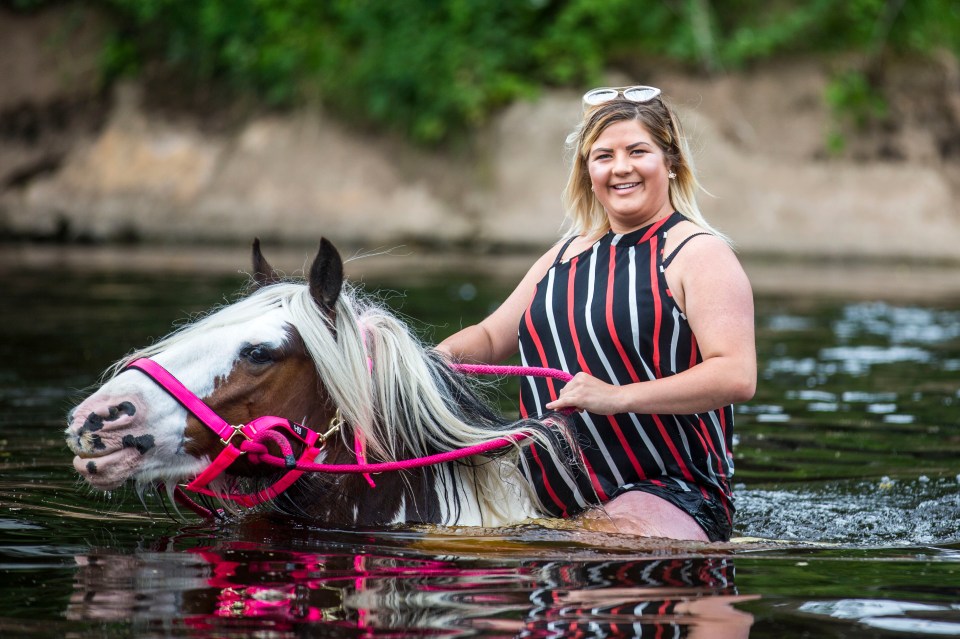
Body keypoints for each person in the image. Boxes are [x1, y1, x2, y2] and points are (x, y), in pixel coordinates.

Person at [436, 85, 756, 542]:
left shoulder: (698, 254)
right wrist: (431, 360)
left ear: (671, 161)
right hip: (548, 496)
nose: (620, 167)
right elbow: (490, 337)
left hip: (668, 490)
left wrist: (618, 396)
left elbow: (736, 375)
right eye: (604, 155)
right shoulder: (561, 256)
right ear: (588, 172)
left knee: (578, 552)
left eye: (637, 151)